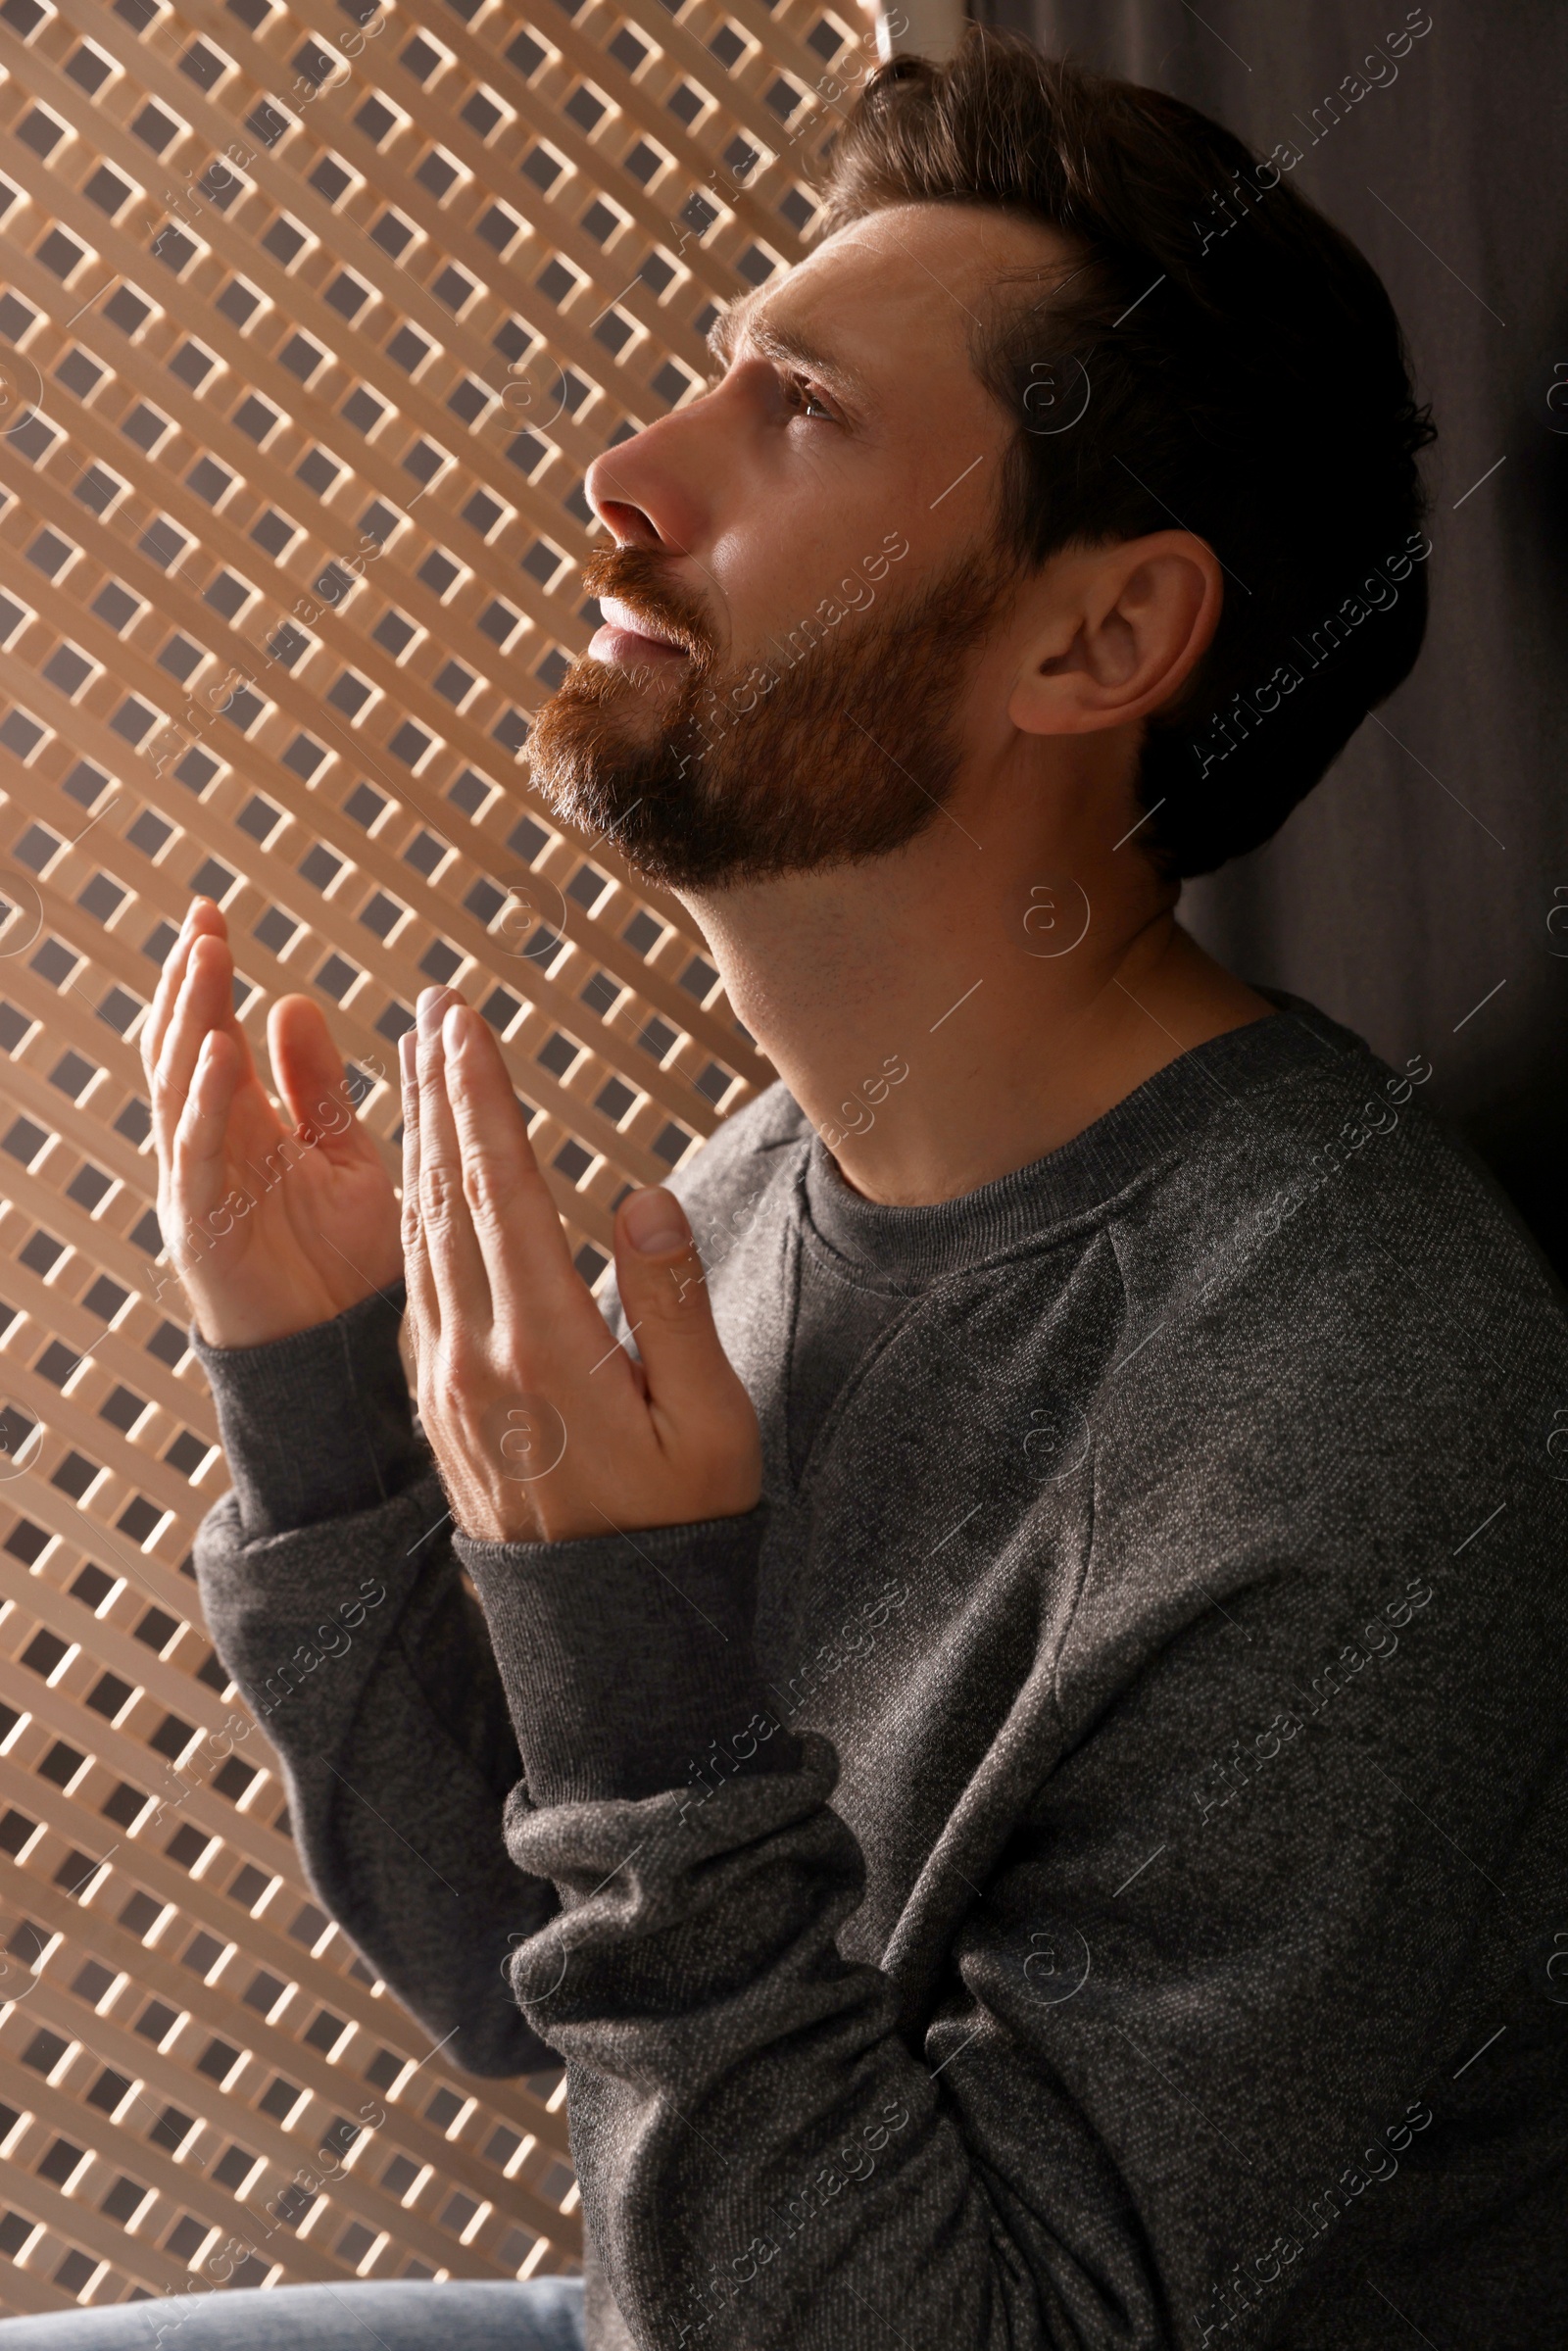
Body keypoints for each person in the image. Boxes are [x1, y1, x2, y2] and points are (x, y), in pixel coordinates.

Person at [15, 26, 1566, 2351]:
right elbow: (522, 1984)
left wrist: (635, 1666)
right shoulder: (762, 1197)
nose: (624, 475)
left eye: (799, 415)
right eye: (714, 384)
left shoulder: (1353, 1405)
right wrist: (321, 1406)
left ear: (1100, 639)